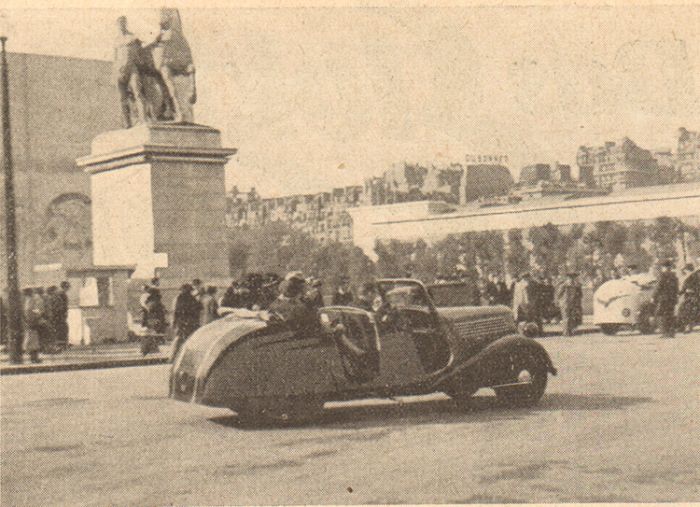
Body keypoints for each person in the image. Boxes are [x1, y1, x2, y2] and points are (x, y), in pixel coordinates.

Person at [171, 283, 202, 360]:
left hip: (181, 322)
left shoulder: (179, 298)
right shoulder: (192, 299)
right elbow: (198, 309)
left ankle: (173, 355)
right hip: (191, 323)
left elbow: (176, 311)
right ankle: (183, 356)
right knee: (189, 339)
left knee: (179, 338)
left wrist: (174, 322)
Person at [652, 260, 679, 339]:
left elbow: (658, 287)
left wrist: (653, 296)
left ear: (663, 267)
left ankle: (665, 332)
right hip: (672, 299)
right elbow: (676, 288)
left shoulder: (662, 275)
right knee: (670, 315)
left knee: (661, 315)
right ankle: (671, 333)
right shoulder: (674, 276)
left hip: (663, 299)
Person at [141, 288, 167, 355]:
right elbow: (160, 313)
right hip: (155, 321)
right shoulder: (157, 303)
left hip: (150, 321)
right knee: (153, 335)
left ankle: (147, 349)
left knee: (150, 335)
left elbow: (145, 313)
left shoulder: (148, 302)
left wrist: (144, 322)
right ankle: (147, 350)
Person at [557, 272, 583, 336]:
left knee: (571, 318)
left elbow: (579, 294)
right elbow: (558, 294)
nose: (572, 279)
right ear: (568, 278)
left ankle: (570, 331)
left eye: (573, 277)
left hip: (572, 303)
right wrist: (560, 301)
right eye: (570, 277)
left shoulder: (576, 285)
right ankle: (566, 332)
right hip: (565, 303)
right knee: (566, 318)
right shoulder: (564, 285)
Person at [677, 263, 700, 333]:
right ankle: (686, 326)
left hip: (694, 296)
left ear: (688, 270)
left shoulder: (694, 276)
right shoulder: (691, 276)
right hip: (690, 297)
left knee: (687, 310)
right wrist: (679, 293)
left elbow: (696, 286)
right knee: (685, 310)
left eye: (685, 270)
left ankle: (687, 327)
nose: (684, 272)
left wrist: (691, 290)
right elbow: (684, 288)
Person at [23, 288, 43, 363]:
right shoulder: (30, 300)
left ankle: (34, 357)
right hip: (32, 322)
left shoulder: (27, 300)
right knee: (33, 341)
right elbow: (32, 310)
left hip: (29, 322)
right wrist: (38, 314)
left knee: (32, 340)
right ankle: (34, 358)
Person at [56, 281, 71, 348]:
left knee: (63, 328)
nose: (68, 288)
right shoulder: (61, 294)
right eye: (67, 287)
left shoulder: (61, 293)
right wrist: (63, 313)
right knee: (62, 329)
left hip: (61, 314)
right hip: (60, 314)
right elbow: (62, 305)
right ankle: (62, 344)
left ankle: (63, 343)